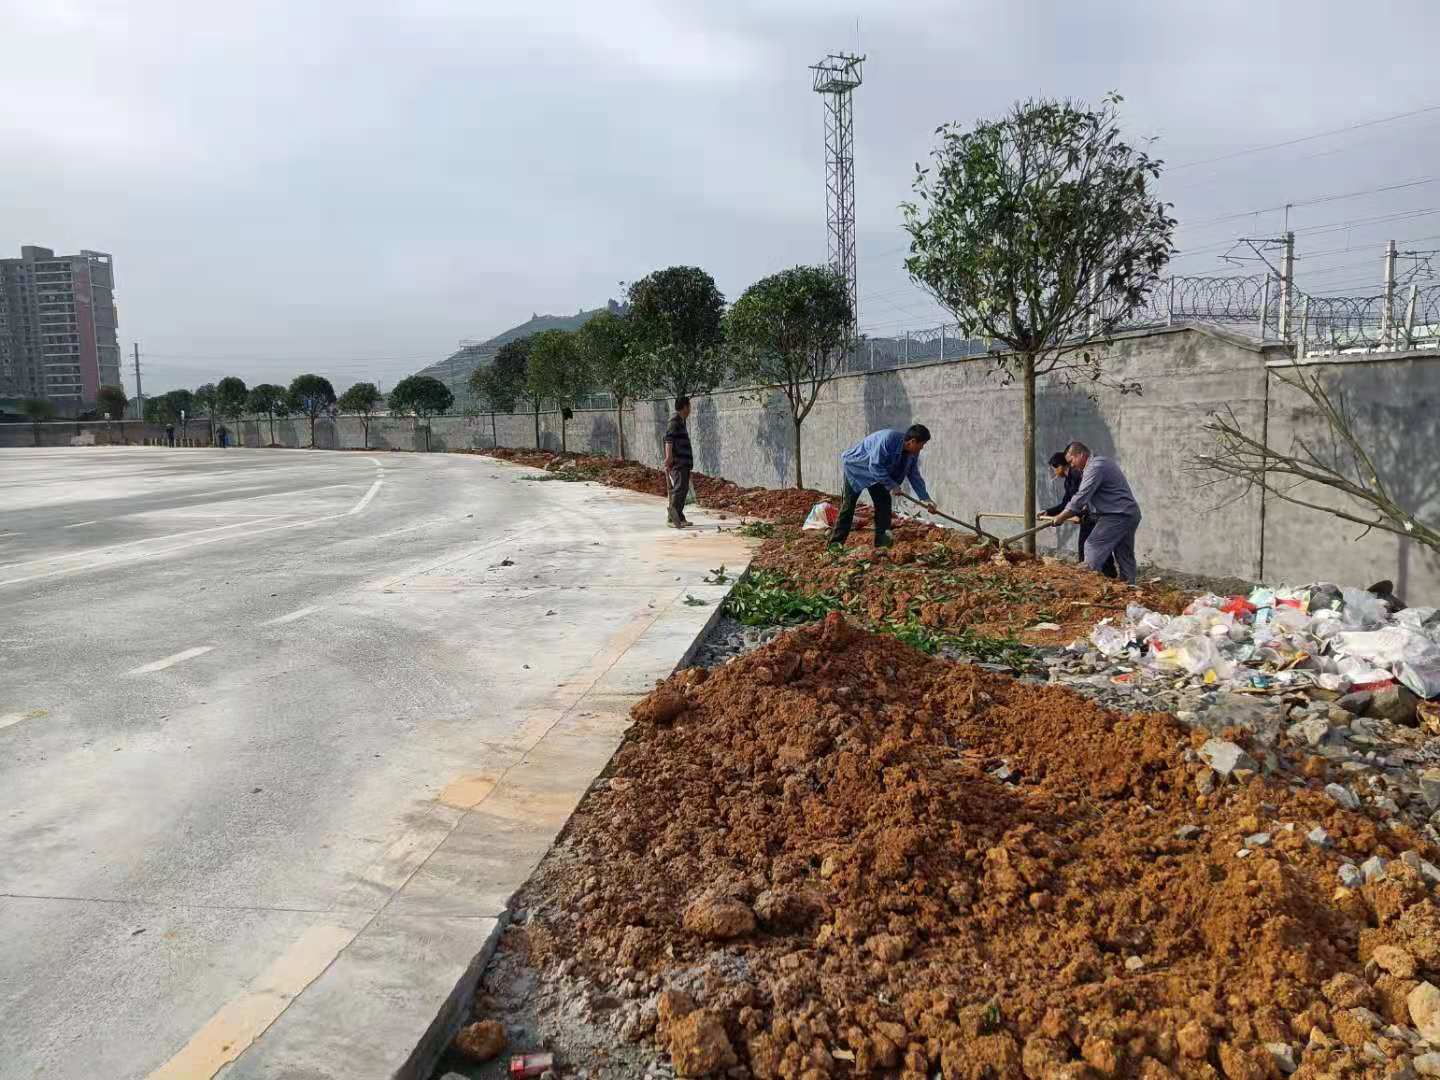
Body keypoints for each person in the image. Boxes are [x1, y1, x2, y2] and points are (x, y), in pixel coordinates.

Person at [1047, 441, 1142, 584]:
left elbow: (1081, 497)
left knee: (1092, 545)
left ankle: (1085, 583)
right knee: (1124, 553)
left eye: (1071, 461)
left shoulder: (1095, 467)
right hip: (1128, 514)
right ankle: (1129, 586)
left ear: (1081, 455)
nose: (1071, 465)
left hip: (1117, 515)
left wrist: (1061, 517)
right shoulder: (1099, 463)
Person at [829, 424, 938, 548]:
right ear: (912, 441)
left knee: (884, 505)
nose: (922, 448)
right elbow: (874, 466)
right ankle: (835, 545)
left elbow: (914, 475)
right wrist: (892, 485)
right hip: (858, 469)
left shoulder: (912, 453)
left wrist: (925, 498)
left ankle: (882, 546)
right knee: (849, 506)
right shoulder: (888, 440)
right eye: (922, 444)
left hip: (879, 476)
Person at [1041, 450, 1115, 578]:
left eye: (1054, 469)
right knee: (1088, 548)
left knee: (1094, 547)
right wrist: (1048, 512)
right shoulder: (1068, 481)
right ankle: (1097, 576)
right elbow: (1066, 503)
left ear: (1060, 466)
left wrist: (1076, 513)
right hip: (1086, 518)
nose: (1054, 472)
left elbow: (1083, 498)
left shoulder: (1077, 475)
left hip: (1094, 516)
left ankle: (1107, 576)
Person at [663, 396, 694, 528]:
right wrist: (669, 457)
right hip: (678, 462)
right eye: (689, 406)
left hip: (683, 462)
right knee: (679, 488)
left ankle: (679, 517)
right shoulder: (674, 421)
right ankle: (672, 518)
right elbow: (668, 440)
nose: (690, 409)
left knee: (683, 488)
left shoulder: (680, 421)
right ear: (685, 407)